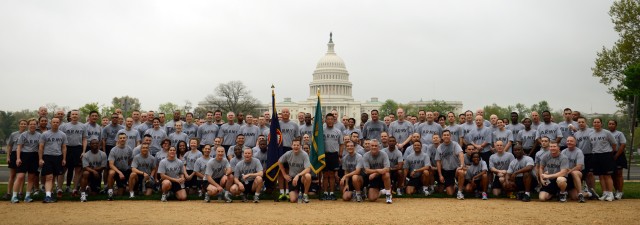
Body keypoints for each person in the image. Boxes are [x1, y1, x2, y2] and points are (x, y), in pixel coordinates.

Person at [39, 118, 67, 203]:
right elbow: (41, 147)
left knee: (54, 177)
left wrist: (64, 158)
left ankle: (50, 194)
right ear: (50, 123)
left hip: (58, 157)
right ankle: (47, 196)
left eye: (57, 122)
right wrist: (40, 158)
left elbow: (64, 147)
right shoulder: (45, 134)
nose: (55, 124)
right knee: (49, 177)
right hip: (47, 157)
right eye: (54, 122)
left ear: (59, 124)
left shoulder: (62, 135)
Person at [58, 110, 86, 196]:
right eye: (73, 114)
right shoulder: (64, 126)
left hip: (78, 149)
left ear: (79, 116)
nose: (74, 116)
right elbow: (60, 139)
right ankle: (59, 189)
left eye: (76, 114)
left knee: (77, 170)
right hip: (67, 148)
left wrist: (83, 151)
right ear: (70, 116)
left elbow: (84, 139)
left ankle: (74, 190)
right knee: (63, 169)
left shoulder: (83, 126)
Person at [589, 118, 617, 201]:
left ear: (601, 124)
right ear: (593, 124)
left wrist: (610, 153)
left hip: (606, 155)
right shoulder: (591, 134)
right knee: (601, 175)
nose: (596, 124)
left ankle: (610, 193)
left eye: (598, 122)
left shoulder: (606, 132)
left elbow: (614, 144)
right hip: (596, 155)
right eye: (595, 122)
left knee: (607, 175)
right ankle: (605, 193)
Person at [12, 119, 40, 203]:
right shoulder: (23, 135)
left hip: (34, 156)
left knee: (31, 178)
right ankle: (14, 196)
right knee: (20, 176)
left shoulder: (39, 135)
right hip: (24, 155)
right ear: (28, 125)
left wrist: (40, 158)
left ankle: (27, 196)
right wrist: (18, 158)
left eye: (34, 124)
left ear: (36, 125)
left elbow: (40, 147)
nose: (32, 125)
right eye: (31, 124)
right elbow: (19, 147)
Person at [277, 139, 312, 203]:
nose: (296, 146)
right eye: (294, 145)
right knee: (293, 200)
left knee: (308, 176)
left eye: (298, 145)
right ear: (291, 146)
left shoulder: (304, 154)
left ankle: (305, 195)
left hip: (301, 178)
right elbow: (279, 162)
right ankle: (298, 193)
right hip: (292, 179)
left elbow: (308, 169)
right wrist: (284, 174)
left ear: (300, 146)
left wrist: (298, 175)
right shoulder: (288, 154)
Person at [320, 113, 344, 200]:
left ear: (334, 120)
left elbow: (341, 144)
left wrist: (340, 155)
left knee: (332, 175)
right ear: (325, 121)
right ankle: (326, 193)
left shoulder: (338, 131)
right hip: (324, 155)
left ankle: (332, 193)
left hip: (334, 154)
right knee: (325, 174)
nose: (330, 121)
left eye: (331, 119)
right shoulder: (321, 131)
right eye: (328, 119)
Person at [362, 139, 393, 203]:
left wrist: (375, 173)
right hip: (373, 178)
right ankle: (383, 191)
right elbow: (367, 170)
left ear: (379, 147)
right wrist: (377, 171)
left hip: (382, 176)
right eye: (372, 145)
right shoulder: (366, 155)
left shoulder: (384, 154)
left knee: (386, 174)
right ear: (369, 146)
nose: (374, 147)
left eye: (376, 146)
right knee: (372, 198)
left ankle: (388, 195)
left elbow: (387, 168)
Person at [435, 130, 465, 198]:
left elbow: (461, 154)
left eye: (448, 135)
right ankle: (456, 186)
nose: (446, 136)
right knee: (450, 193)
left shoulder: (455, 144)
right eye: (444, 135)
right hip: (447, 171)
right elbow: (438, 162)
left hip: (456, 169)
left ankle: (460, 192)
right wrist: (440, 175)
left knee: (461, 172)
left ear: (450, 136)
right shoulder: (439, 147)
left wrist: (462, 165)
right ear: (442, 137)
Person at [106, 133, 133, 200]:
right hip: (116, 170)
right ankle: (110, 191)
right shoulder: (113, 150)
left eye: (124, 138)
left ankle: (122, 188)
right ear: (118, 139)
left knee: (120, 193)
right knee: (111, 173)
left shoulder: (129, 149)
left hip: (125, 170)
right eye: (120, 138)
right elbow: (111, 164)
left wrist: (126, 169)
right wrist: (119, 172)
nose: (122, 139)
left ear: (126, 139)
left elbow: (130, 161)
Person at [561, 136, 586, 203]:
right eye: (568, 141)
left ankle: (580, 194)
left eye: (571, 141)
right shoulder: (563, 151)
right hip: (567, 173)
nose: (569, 142)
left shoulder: (579, 152)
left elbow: (579, 167)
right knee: (574, 197)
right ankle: (588, 193)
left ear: (575, 143)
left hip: (578, 173)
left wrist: (569, 171)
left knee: (574, 173)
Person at [7, 120, 27, 202]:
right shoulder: (14, 134)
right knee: (12, 175)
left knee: (22, 175)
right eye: (21, 124)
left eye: (25, 124)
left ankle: (20, 192)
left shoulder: (27, 134)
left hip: (24, 154)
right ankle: (8, 193)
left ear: (27, 125)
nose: (23, 125)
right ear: (19, 125)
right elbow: (9, 146)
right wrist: (8, 156)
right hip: (15, 154)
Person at [608, 120, 627, 199]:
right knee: (612, 174)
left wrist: (616, 155)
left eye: (613, 124)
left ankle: (620, 191)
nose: (611, 125)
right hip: (609, 154)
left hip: (618, 154)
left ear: (616, 125)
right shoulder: (606, 133)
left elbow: (623, 145)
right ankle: (616, 191)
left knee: (619, 174)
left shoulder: (619, 133)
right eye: (610, 124)